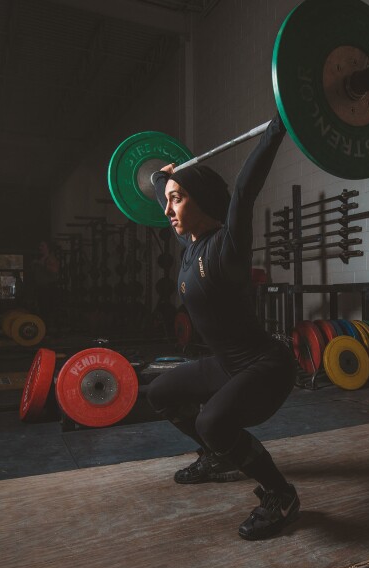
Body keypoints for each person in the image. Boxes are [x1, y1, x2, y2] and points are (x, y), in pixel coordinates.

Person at [146, 115, 298, 541]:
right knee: (159, 393)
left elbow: (246, 190)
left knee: (213, 421)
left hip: (265, 366)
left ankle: (280, 494)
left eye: (177, 200)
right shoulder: (189, 242)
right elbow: (161, 184)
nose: (168, 210)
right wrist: (163, 178)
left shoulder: (226, 247)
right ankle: (219, 458)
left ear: (200, 200)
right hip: (229, 364)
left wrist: (277, 128)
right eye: (168, 201)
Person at [30, 241, 60, 329]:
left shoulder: (51, 259)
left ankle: (52, 331)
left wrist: (41, 264)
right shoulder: (41, 259)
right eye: (40, 246)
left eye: (42, 246)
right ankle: (44, 330)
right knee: (42, 310)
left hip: (49, 288)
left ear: (48, 248)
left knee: (49, 311)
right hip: (41, 288)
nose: (40, 248)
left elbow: (55, 270)